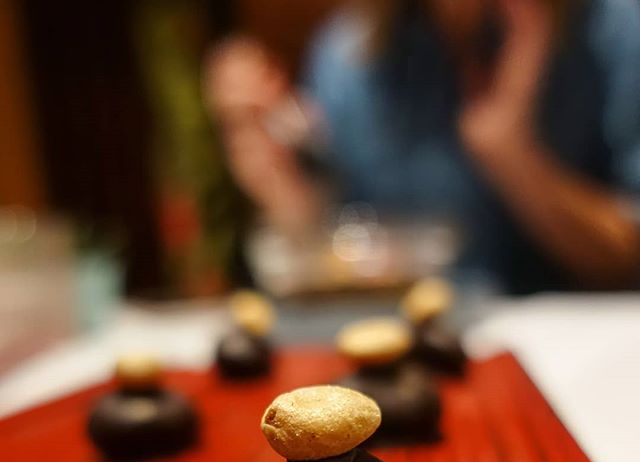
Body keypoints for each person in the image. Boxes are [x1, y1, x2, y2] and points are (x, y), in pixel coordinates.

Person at [205, 0, 640, 294]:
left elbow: (629, 261)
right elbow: (344, 249)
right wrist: (287, 198)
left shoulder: (616, 27)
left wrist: (514, 158)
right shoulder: (350, 54)